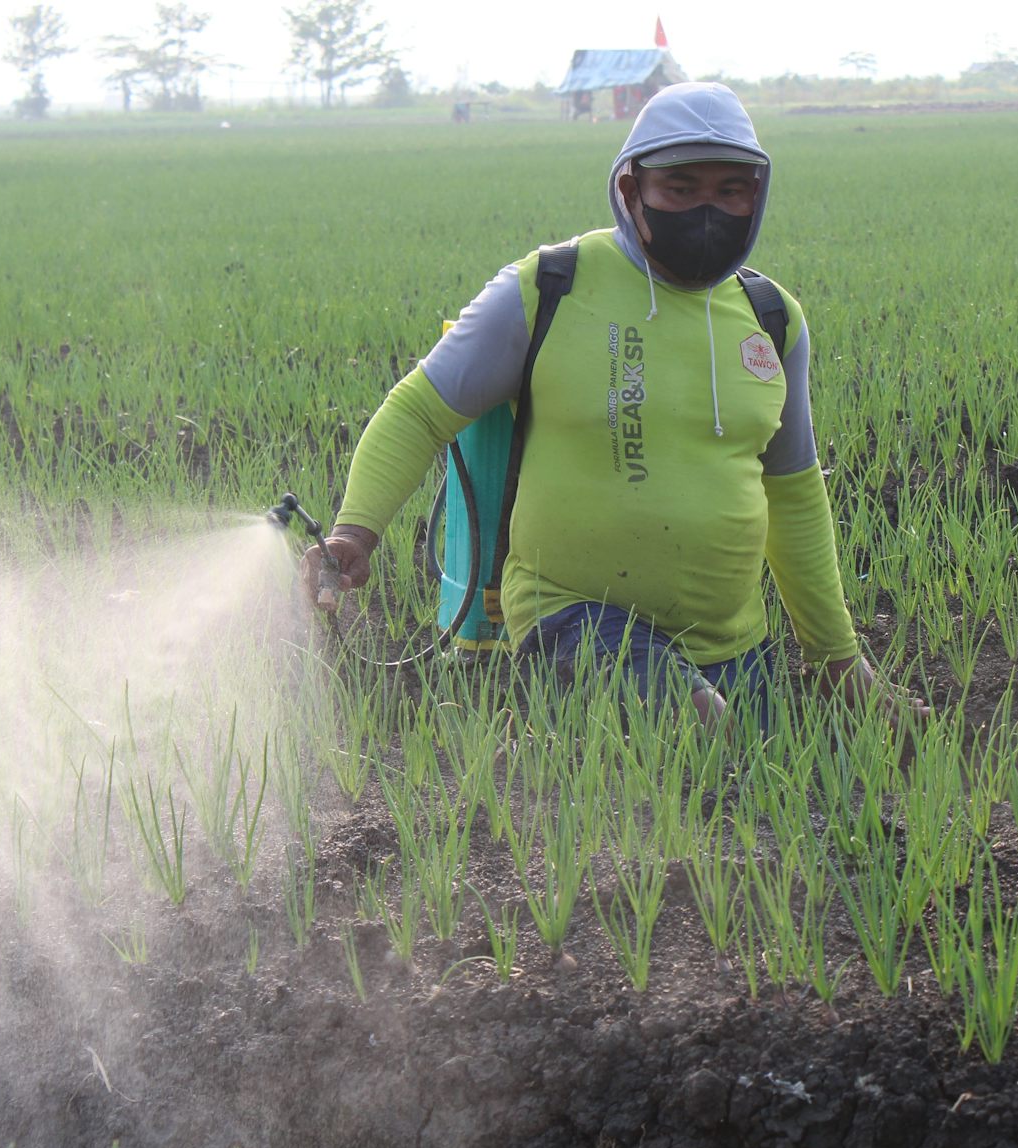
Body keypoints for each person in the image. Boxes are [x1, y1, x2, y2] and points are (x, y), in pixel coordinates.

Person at [315, 81, 924, 738]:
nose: (708, 210)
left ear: (758, 194)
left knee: (778, 773)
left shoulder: (772, 319)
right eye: (681, 189)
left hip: (729, 645)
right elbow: (418, 413)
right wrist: (355, 532)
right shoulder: (550, 287)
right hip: (568, 616)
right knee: (696, 730)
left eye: (731, 191)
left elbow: (796, 497)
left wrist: (838, 663)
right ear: (631, 191)